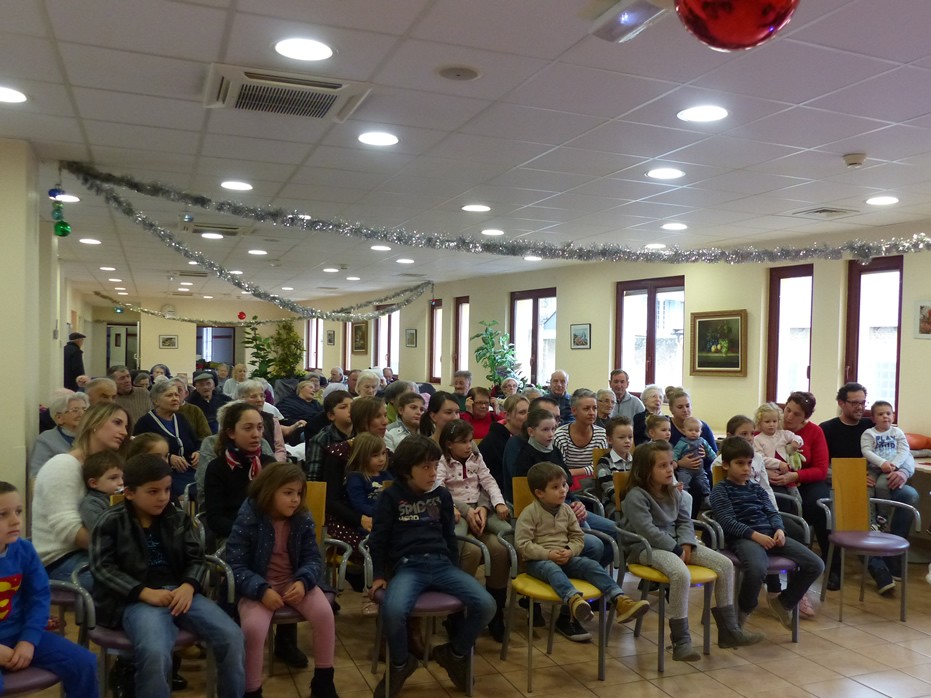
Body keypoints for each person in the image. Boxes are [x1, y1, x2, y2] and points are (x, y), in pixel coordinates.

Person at [89, 454, 246, 698]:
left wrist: (189, 586)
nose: (163, 497)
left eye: (166, 489)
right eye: (153, 491)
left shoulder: (176, 516)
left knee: (232, 636)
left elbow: (196, 558)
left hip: (181, 592)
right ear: (130, 492)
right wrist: (143, 592)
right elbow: (102, 568)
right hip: (137, 599)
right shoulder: (110, 521)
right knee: (155, 651)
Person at [368, 436, 496, 697]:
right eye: (424, 467)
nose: (432, 473)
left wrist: (452, 567)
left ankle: (454, 653)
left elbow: (449, 536)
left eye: (434, 466)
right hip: (408, 567)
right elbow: (378, 540)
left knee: (486, 604)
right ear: (406, 470)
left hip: (440, 565)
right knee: (392, 612)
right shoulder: (391, 497)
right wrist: (380, 574)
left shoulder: (441, 496)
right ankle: (401, 664)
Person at [619, 441, 764, 661]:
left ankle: (729, 631)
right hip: (645, 547)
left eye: (670, 464)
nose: (670, 469)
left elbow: (685, 521)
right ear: (645, 470)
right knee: (680, 574)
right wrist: (676, 548)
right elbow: (647, 531)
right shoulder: (636, 496)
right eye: (662, 466)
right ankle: (681, 641)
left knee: (724, 565)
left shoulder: (673, 491)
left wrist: (686, 543)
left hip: (677, 543)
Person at [225, 463, 339, 698]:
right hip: (257, 585)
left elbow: (312, 558)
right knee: (254, 628)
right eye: (288, 493)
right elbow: (235, 564)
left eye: (298, 493)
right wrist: (261, 589)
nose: (295, 499)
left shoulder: (302, 517)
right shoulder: (250, 516)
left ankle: (323, 683)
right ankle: (252, 690)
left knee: (325, 615)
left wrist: (303, 581)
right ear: (269, 491)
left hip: (293, 580)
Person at [709, 437, 824, 630]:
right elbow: (727, 522)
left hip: (771, 535)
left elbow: (772, 512)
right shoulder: (720, 491)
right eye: (739, 463)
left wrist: (779, 529)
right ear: (726, 465)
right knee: (756, 568)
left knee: (816, 564)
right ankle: (742, 613)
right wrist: (755, 536)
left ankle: (784, 602)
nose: (746, 468)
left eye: (748, 463)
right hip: (744, 539)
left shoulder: (757, 489)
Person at [516, 462, 650, 625]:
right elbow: (523, 545)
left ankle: (620, 599)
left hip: (565, 557)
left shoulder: (566, 510)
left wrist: (570, 551)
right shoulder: (530, 513)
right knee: (551, 569)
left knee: (591, 565)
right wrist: (548, 554)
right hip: (538, 562)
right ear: (539, 493)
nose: (563, 490)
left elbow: (578, 537)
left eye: (564, 485)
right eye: (555, 487)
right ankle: (573, 599)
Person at [0, 482, 98, 697]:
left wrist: (28, 640)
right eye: (2, 515)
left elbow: (39, 597)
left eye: (18, 511)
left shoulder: (24, 550)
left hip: (20, 634)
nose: (16, 520)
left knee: (84, 663)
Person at [32, 403, 130, 582]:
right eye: (117, 423)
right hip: (59, 560)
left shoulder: (107, 470)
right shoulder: (63, 465)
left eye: (125, 426)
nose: (124, 432)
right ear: (94, 422)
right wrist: (124, 549)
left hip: (91, 552)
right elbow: (68, 529)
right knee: (126, 585)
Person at [436, 419, 511, 642]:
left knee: (501, 546)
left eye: (470, 441)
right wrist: (455, 508)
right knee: (468, 548)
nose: (470, 446)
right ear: (449, 444)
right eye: (464, 442)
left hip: (480, 508)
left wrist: (495, 504)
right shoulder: (442, 461)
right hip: (457, 512)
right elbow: (437, 488)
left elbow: (489, 482)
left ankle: (496, 613)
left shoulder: (476, 458)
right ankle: (457, 615)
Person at [767, 392, 835, 587]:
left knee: (821, 508)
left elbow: (821, 470)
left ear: (806, 417)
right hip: (775, 481)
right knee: (782, 509)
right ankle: (787, 564)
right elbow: (755, 454)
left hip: (805, 480)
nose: (789, 416)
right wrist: (766, 472)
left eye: (796, 414)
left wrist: (796, 476)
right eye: (787, 410)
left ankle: (832, 567)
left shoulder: (815, 432)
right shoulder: (771, 424)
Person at [860, 400, 918, 581]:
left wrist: (897, 467)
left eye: (889, 413)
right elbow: (867, 451)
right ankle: (872, 532)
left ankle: (885, 528)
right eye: (881, 414)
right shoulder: (869, 433)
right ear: (873, 418)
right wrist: (881, 463)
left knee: (900, 491)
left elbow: (905, 451)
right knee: (868, 490)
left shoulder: (897, 432)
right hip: (872, 469)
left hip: (892, 470)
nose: (885, 416)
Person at [203, 403, 278, 541]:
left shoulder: (269, 464)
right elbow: (215, 519)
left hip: (269, 532)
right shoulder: (217, 468)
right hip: (234, 535)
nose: (256, 435)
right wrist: (247, 532)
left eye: (259, 427)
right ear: (231, 433)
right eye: (248, 428)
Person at [344, 433, 393, 615]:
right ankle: (369, 595)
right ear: (362, 456)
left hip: (387, 522)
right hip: (368, 524)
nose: (381, 459)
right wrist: (383, 513)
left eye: (383, 454)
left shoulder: (387, 475)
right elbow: (359, 504)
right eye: (375, 455)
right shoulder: (356, 477)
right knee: (373, 549)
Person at [134, 381, 200, 499]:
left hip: (190, 471)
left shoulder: (181, 419)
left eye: (176, 395)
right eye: (169, 395)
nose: (175, 399)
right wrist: (168, 457)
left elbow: (196, 442)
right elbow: (141, 454)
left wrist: (197, 453)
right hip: (164, 474)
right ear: (155, 401)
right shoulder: (145, 423)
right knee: (187, 496)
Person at [665, 386, 717, 515]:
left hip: (701, 470)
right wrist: (680, 463)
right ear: (671, 409)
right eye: (680, 407)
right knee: (690, 486)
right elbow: (662, 453)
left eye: (688, 406)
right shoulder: (667, 427)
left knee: (703, 484)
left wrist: (705, 455)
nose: (685, 410)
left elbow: (714, 455)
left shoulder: (701, 426)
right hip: (676, 472)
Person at [553, 388, 607, 492]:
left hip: (593, 484)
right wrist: (575, 473)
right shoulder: (560, 435)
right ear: (574, 411)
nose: (592, 413)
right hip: (565, 484)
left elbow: (599, 467)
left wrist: (574, 471)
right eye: (586, 409)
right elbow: (559, 469)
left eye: (594, 408)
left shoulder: (601, 434)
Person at [29, 391, 88, 476]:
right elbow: (36, 474)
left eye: (85, 409)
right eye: (75, 410)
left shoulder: (93, 435)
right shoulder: (46, 439)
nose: (82, 414)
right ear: (59, 418)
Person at [479, 394, 529, 490]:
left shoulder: (529, 437)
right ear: (507, 415)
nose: (527, 417)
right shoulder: (493, 440)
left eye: (529, 412)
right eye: (522, 413)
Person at [305, 390, 354, 481]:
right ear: (331, 415)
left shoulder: (363, 433)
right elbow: (313, 476)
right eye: (343, 407)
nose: (350, 410)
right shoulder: (321, 439)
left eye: (353, 406)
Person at [238, 380, 288, 462]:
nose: (259, 400)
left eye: (262, 396)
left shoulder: (272, 420)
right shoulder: (233, 419)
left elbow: (280, 449)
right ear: (241, 398)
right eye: (253, 396)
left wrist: (273, 466)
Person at [596, 416, 634, 518]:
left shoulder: (637, 460)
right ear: (609, 440)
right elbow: (610, 491)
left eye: (630, 437)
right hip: (614, 506)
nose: (627, 441)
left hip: (637, 503)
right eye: (622, 437)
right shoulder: (604, 462)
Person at [79, 450, 124, 532]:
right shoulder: (91, 504)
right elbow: (101, 530)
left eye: (122, 478)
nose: (121, 482)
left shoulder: (120, 498)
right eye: (113, 478)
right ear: (94, 483)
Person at [671, 416, 713, 503]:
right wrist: (674, 461)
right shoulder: (682, 442)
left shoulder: (702, 441)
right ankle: (683, 496)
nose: (693, 433)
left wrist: (715, 459)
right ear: (684, 431)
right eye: (690, 430)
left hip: (699, 469)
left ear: (700, 432)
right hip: (685, 470)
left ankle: (707, 495)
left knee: (704, 481)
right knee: (683, 480)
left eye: (696, 431)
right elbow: (676, 452)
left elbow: (710, 451)